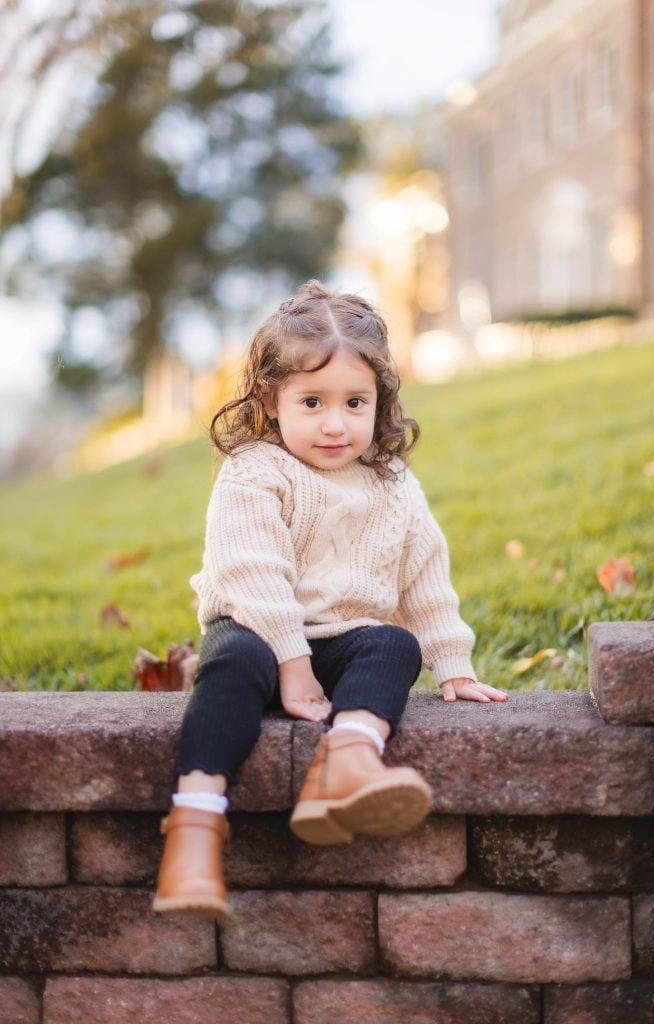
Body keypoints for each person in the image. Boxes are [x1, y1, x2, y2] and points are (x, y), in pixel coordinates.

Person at [153, 280, 507, 920]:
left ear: (381, 402)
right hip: (258, 631)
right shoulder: (255, 470)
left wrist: (453, 663)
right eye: (311, 401)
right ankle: (195, 831)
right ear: (272, 399)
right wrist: (290, 660)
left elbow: (424, 576)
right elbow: (253, 574)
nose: (336, 423)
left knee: (393, 644)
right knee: (230, 665)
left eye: (355, 402)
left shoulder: (392, 482)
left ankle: (346, 764)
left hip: (341, 641)